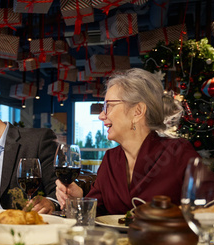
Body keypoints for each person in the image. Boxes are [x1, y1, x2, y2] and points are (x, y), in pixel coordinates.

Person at [56, 68, 199, 215]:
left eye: (108, 106)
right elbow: (96, 214)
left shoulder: (178, 152)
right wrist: (77, 199)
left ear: (137, 111)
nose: (101, 115)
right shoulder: (111, 160)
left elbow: (212, 207)